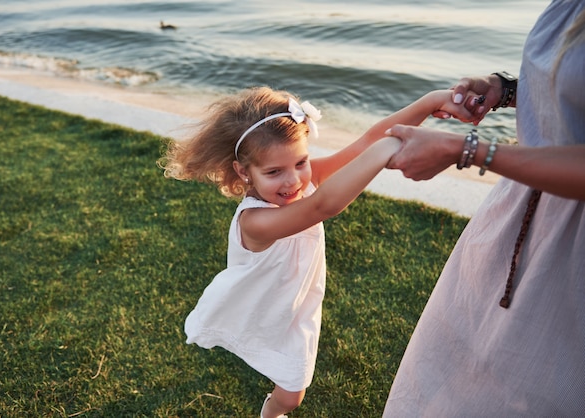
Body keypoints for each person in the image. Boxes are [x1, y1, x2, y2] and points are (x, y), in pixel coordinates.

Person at [159, 86, 466, 417]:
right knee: (289, 390)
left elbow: (367, 141)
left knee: (292, 397)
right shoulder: (255, 221)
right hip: (259, 306)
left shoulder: (303, 181)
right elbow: (324, 205)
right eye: (274, 172)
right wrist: (389, 150)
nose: (293, 182)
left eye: (301, 162)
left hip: (297, 306)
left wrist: (431, 101)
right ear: (244, 172)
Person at [383, 0, 585, 416]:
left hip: (574, 256)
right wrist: (505, 89)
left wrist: (468, 149)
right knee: (459, 376)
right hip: (518, 218)